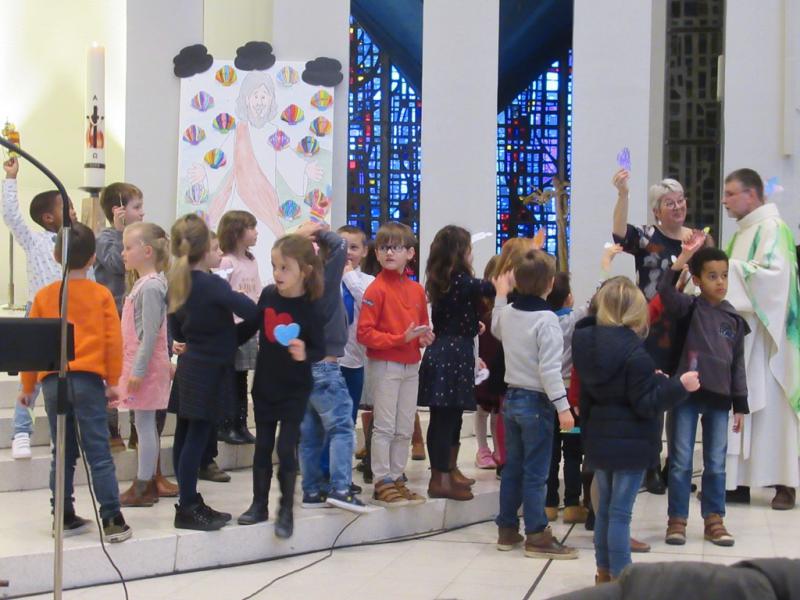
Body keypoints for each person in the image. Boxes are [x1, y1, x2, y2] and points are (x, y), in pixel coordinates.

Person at [573, 276, 699, 582]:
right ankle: (622, 578)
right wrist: (678, 387)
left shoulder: (587, 347)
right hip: (629, 446)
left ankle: (603, 573)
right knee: (620, 514)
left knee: (603, 511)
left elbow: (589, 399)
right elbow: (646, 404)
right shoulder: (636, 354)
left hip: (599, 442)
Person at [18, 223, 132, 542]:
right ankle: (111, 518)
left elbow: (32, 345)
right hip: (88, 380)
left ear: (56, 256)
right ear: (93, 258)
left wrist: (28, 388)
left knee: (62, 450)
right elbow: (113, 340)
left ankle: (62, 515)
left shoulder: (44, 296)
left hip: (54, 382)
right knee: (98, 450)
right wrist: (113, 380)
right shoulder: (101, 295)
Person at [611, 170, 701, 495]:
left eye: (680, 201)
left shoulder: (699, 239)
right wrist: (623, 195)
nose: (677, 208)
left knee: (682, 396)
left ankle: (674, 466)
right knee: (652, 396)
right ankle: (649, 464)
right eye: (669, 203)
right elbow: (620, 234)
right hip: (650, 328)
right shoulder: (649, 236)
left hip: (687, 329)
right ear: (656, 211)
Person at [167, 214, 257, 530]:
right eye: (215, 246)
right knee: (197, 438)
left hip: (191, 366)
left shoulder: (178, 282)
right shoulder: (212, 284)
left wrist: (230, 337)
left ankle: (187, 499)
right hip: (209, 371)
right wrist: (251, 324)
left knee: (185, 434)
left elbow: (179, 330)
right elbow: (250, 311)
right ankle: (188, 506)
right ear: (204, 249)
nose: (219, 252)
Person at [658, 235, 749, 545]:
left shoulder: (734, 318)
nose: (720, 282)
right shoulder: (689, 307)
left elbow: (737, 364)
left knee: (716, 462)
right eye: (712, 276)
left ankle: (714, 518)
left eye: (724, 275)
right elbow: (664, 289)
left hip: (720, 400)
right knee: (681, 459)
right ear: (696, 279)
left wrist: (741, 404)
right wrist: (683, 257)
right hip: (685, 396)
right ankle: (677, 519)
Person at [722, 168, 800, 511]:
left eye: (731, 193)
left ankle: (785, 484)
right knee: (743, 409)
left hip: (770, 340)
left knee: (774, 412)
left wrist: (726, 270)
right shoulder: (742, 233)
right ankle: (738, 481)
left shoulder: (774, 229)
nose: (725, 200)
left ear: (751, 195)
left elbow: (774, 277)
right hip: (744, 337)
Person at [237, 234, 325, 538]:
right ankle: (258, 504)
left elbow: (320, 346)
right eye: (275, 266)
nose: (278, 274)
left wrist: (306, 353)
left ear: (305, 270)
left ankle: (286, 509)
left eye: (285, 268)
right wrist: (218, 340)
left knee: (285, 447)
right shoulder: (268, 296)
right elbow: (250, 327)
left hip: (295, 389)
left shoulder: (311, 305)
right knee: (262, 447)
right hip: (265, 384)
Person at [491, 249, 577, 559]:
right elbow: (549, 370)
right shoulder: (547, 320)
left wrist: (501, 296)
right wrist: (564, 407)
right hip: (537, 402)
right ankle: (537, 534)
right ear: (551, 284)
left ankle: (507, 528)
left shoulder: (510, 312)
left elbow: (496, 328)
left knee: (513, 467)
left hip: (511, 399)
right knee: (536, 473)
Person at [2, 157, 75, 460]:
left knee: (66, 379)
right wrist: (10, 179)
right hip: (40, 313)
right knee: (31, 378)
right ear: (48, 217)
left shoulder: (76, 242)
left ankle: (68, 435)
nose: (72, 211)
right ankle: (21, 432)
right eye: (66, 207)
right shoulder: (35, 241)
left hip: (69, 312)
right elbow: (11, 216)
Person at [357, 222, 433, 507]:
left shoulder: (416, 290)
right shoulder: (375, 290)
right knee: (385, 426)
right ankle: (381, 480)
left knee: (404, 426)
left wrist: (424, 337)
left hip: (411, 364)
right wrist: (400, 338)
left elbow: (422, 327)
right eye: (383, 247)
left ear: (410, 253)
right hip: (385, 364)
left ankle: (397, 476)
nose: (389, 252)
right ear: (376, 254)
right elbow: (364, 334)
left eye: (396, 247)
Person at [419, 225, 495, 501]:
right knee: (443, 419)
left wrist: (472, 326)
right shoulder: (458, 279)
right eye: (469, 249)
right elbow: (487, 287)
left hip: (454, 352)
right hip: (448, 356)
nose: (473, 254)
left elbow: (453, 316)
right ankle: (439, 478)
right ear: (459, 253)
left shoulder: (447, 280)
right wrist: (506, 278)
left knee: (450, 420)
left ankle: (449, 470)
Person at [298, 222, 367, 513]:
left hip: (303, 371)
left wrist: (300, 239)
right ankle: (340, 487)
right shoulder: (324, 284)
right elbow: (339, 247)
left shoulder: (295, 286)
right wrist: (317, 233)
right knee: (341, 428)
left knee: (311, 433)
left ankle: (312, 490)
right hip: (326, 369)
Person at [116, 222, 173, 507]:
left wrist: (138, 371)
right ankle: (144, 482)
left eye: (128, 247)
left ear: (147, 251)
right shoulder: (142, 284)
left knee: (145, 424)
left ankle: (143, 484)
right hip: (140, 364)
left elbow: (150, 333)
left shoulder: (150, 286)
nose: (123, 253)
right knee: (143, 423)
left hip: (146, 368)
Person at [96, 182, 146, 452]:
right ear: (118, 211)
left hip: (135, 316)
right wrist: (119, 232)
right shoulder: (105, 238)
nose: (142, 212)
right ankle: (111, 428)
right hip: (113, 317)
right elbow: (118, 264)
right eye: (136, 207)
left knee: (136, 372)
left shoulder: (141, 238)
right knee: (112, 374)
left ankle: (138, 428)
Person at [325, 225, 374, 486]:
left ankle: (340, 475)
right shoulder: (324, 278)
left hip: (354, 362)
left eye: (353, 248)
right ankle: (324, 472)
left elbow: (368, 303)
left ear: (365, 251)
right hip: (327, 362)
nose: (347, 253)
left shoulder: (367, 282)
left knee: (347, 421)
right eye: (342, 247)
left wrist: (348, 278)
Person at [544, 272, 589, 524]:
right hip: (571, 401)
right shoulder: (575, 319)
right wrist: (605, 264)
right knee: (573, 453)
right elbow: (595, 300)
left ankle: (549, 503)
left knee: (550, 453)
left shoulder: (542, 321)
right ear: (569, 297)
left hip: (548, 397)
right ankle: (572, 504)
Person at [216, 210, 261, 445]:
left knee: (242, 377)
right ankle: (226, 424)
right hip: (233, 327)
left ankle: (241, 423)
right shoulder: (226, 262)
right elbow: (222, 292)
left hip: (249, 327)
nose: (256, 233)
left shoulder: (251, 261)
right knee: (230, 377)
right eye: (251, 228)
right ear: (236, 232)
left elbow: (256, 291)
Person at [474, 256, 503, 470]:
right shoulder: (479, 300)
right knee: (482, 407)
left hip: (500, 359)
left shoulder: (507, 302)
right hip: (483, 358)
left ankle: (498, 448)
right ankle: (482, 448)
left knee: (497, 408)